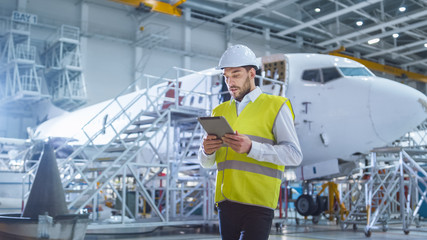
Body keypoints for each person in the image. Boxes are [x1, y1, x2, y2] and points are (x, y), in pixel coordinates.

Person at [198, 44, 303, 240]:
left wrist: (252, 148)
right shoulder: (219, 111)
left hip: (258, 203)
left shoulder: (276, 106)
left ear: (251, 73)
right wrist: (207, 152)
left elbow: (294, 155)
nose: (230, 82)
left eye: (236, 75)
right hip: (226, 203)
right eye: (226, 76)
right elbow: (206, 164)